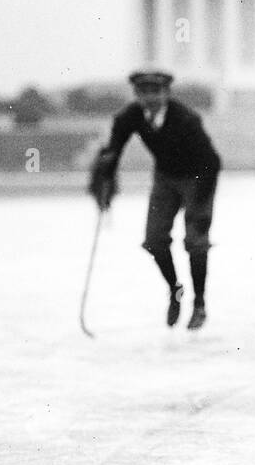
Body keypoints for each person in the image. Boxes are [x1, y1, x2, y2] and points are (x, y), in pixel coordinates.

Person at [89, 68, 222, 330]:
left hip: (199, 176)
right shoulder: (130, 116)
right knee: (153, 240)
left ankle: (199, 305)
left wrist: (200, 210)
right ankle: (175, 290)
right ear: (136, 94)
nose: (150, 98)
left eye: (156, 92)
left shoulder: (187, 119)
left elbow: (211, 161)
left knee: (196, 242)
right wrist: (105, 171)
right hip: (166, 179)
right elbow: (114, 149)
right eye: (143, 92)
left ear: (167, 93)